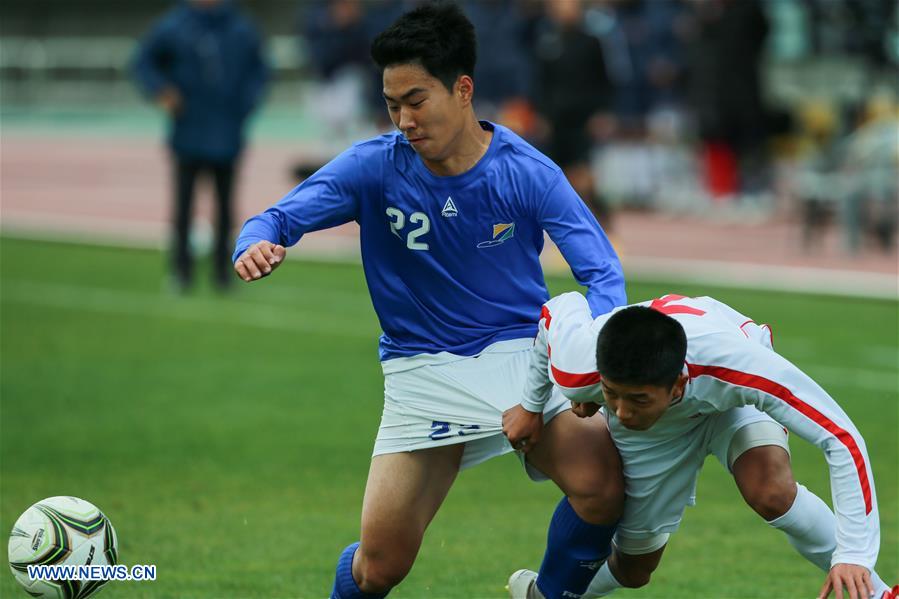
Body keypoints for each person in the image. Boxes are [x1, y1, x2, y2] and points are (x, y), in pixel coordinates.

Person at [232, 3, 627, 599]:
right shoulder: (373, 166)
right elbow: (277, 217)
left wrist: (592, 359)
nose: (404, 120)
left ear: (462, 89)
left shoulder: (527, 171)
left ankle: (548, 593)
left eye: (416, 100)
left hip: (519, 357)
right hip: (420, 369)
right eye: (392, 105)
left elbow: (603, 276)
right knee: (379, 567)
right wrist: (255, 242)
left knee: (602, 484)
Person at [504, 292, 897, 599]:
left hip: (734, 401)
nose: (620, 413)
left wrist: (853, 556)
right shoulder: (580, 365)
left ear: (676, 385)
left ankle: (879, 593)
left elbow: (841, 437)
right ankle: (551, 591)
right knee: (635, 570)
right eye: (611, 395)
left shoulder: (744, 367)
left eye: (636, 399)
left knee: (771, 490)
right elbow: (558, 309)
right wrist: (531, 405)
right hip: (658, 432)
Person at [132, 0, 269, 292]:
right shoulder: (174, 25)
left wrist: (243, 107)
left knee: (225, 209)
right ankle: (181, 272)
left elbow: (260, 70)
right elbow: (143, 62)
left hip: (227, 133)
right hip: (188, 132)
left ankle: (224, 272)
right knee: (183, 207)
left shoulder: (240, 27)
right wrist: (161, 90)